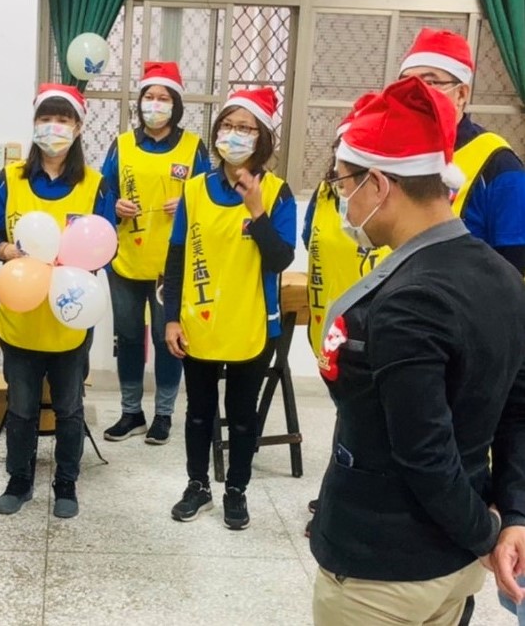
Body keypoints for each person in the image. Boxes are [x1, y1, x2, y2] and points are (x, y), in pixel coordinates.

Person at [310, 77, 525, 626]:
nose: (343, 199)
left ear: (379, 184)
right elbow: (517, 412)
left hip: (383, 568)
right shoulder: (503, 277)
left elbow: (423, 453)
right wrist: (512, 516)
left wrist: (488, 534)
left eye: (344, 183)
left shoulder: (410, 300)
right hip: (455, 561)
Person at [0, 84, 115, 519]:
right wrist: (8, 252)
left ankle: (66, 483)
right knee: (21, 409)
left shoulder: (95, 184)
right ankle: (19, 481)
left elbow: (106, 246)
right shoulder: (12, 178)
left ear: (78, 127)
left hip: (70, 319)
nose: (52, 128)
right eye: (45, 119)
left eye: (62, 120)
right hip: (20, 318)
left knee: (69, 408)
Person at [163, 87, 296, 530]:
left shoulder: (276, 193)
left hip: (252, 325)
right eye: (228, 125)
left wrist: (256, 210)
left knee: (241, 418)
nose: (234, 134)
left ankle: (236, 490)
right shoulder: (195, 189)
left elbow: (281, 259)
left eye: (245, 127)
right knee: (198, 413)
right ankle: (197, 485)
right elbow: (177, 257)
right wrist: (170, 318)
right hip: (198, 322)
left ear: (262, 138)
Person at [100, 61, 210, 445]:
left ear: (176, 105)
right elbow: (104, 193)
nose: (156, 104)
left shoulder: (194, 148)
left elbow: (210, 199)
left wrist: (188, 204)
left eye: (164, 98)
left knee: (169, 339)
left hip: (173, 265)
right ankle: (131, 412)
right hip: (126, 260)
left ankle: (164, 414)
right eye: (149, 96)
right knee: (129, 337)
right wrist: (115, 207)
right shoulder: (122, 145)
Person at [300, 93, 387, 537]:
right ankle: (338, 491)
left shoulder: (386, 201)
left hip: (373, 328)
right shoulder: (324, 193)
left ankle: (342, 500)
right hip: (329, 323)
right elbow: (309, 238)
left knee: (361, 419)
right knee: (347, 415)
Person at [398, 28, 525, 275]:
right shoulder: (396, 154)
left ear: (461, 94)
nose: (415, 93)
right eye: (406, 82)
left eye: (430, 82)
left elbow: (517, 266)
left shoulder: (499, 164)